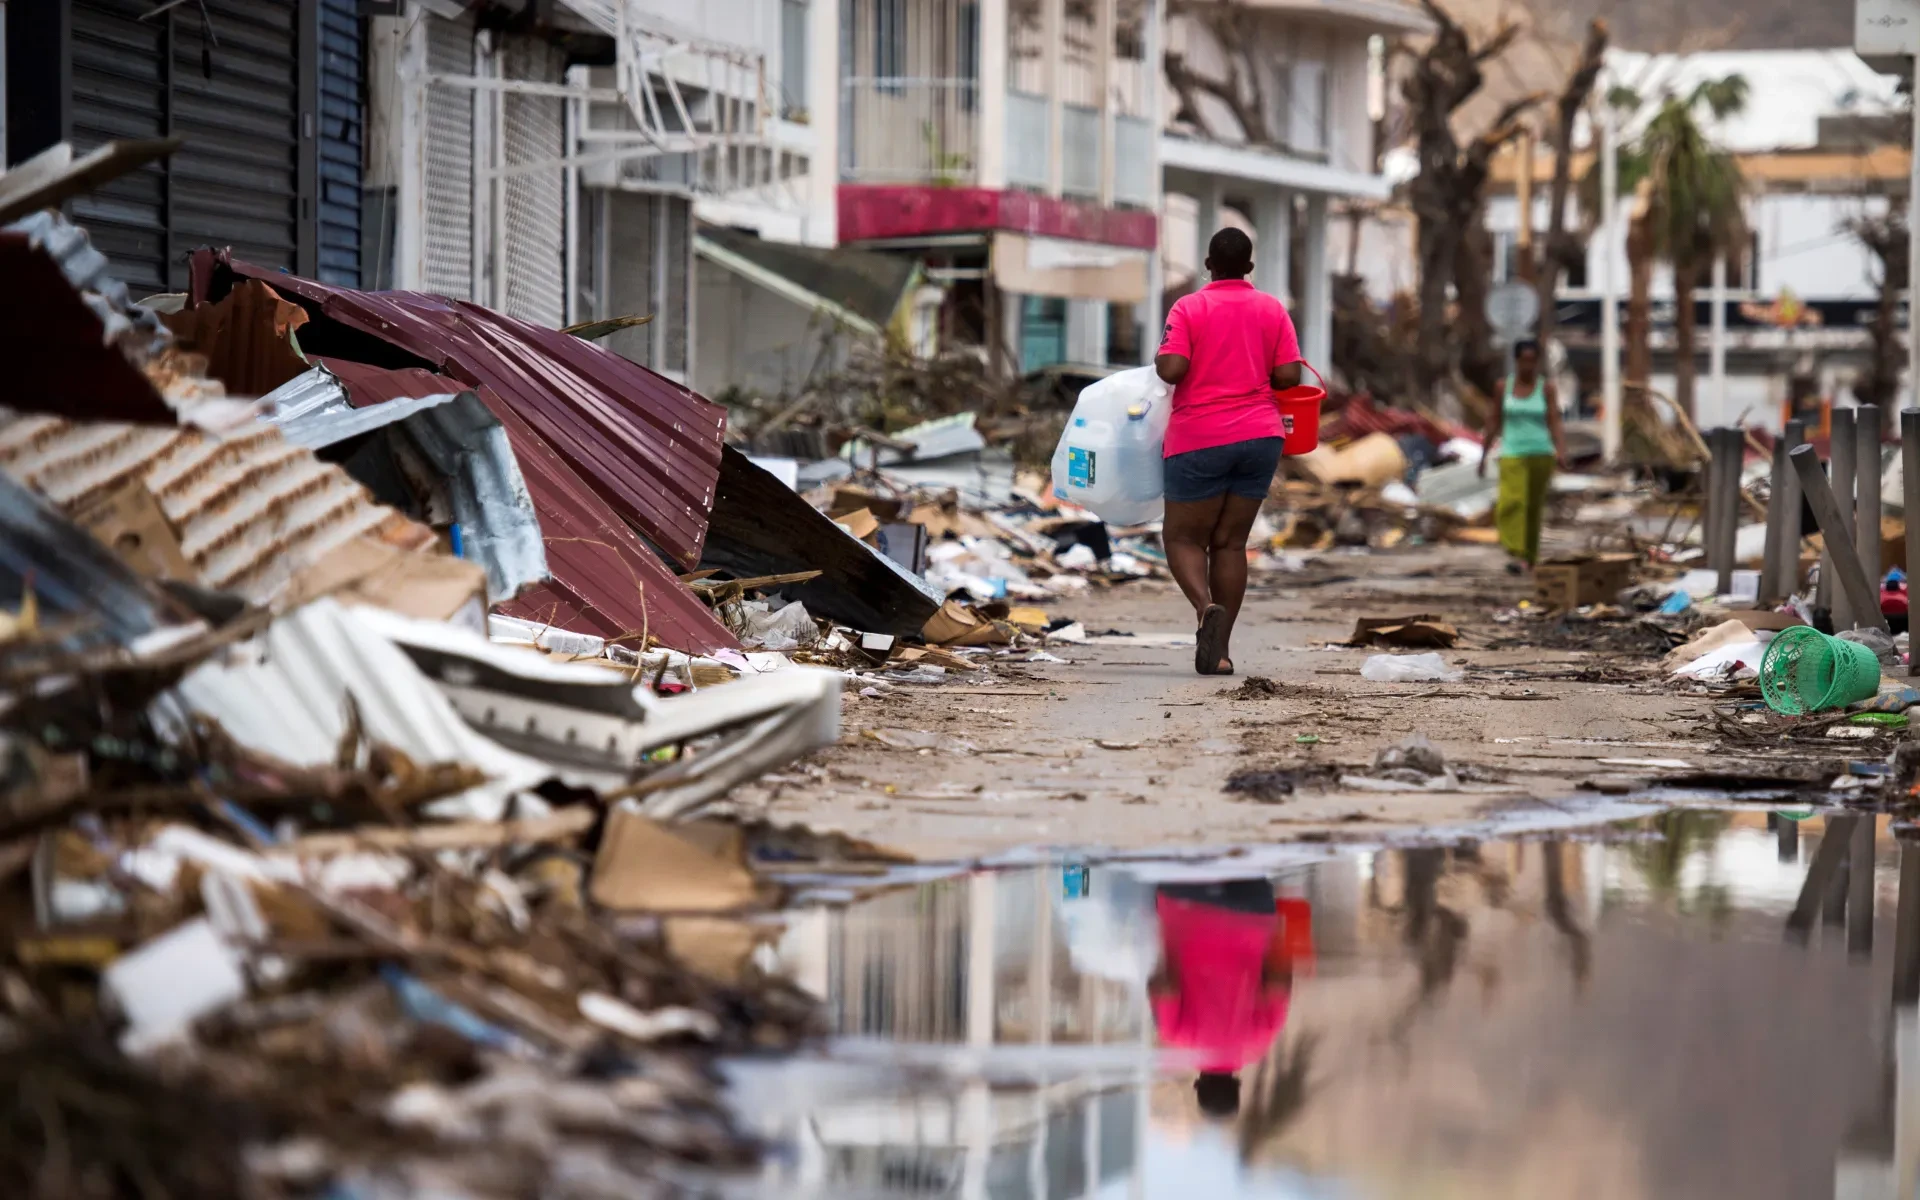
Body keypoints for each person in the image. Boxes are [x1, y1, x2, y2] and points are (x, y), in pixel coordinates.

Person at [1154, 228, 1303, 676]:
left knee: (1182, 537)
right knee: (1230, 543)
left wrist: (1167, 356)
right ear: (1250, 267)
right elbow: (1289, 375)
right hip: (1261, 437)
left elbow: (1172, 368)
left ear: (1208, 265)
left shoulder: (1189, 307)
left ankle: (1204, 610)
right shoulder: (1272, 308)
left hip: (1201, 435)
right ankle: (1219, 652)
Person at [1149, 879, 1312, 1119]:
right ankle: (1077, 870)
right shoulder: (1178, 1037)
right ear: (1198, 1085)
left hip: (1253, 912)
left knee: (1241, 848)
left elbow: (1278, 983)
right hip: (1186, 908)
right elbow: (1165, 989)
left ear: (1237, 1084)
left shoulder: (1260, 1041)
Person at [1477, 339, 1567, 572]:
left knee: (1533, 507)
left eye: (1532, 361)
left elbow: (1554, 420)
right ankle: (1515, 551)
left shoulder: (1546, 388)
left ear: (1537, 362)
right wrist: (1483, 454)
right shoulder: (1502, 387)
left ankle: (1530, 556)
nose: (1527, 366)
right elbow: (1494, 420)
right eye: (1523, 361)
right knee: (1512, 502)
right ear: (1516, 361)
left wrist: (1561, 450)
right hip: (1512, 452)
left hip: (1541, 452)